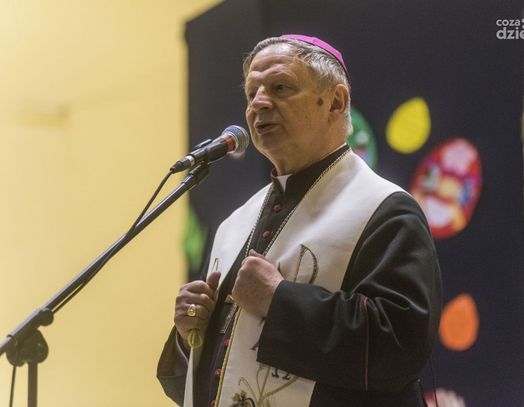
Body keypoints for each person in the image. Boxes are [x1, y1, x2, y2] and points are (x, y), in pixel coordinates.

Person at [157, 34, 442, 407]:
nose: (259, 103)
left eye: (280, 87)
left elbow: (400, 347)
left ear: (335, 102)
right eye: (251, 93)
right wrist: (189, 336)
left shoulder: (385, 210)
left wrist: (279, 301)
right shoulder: (235, 224)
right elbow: (218, 379)